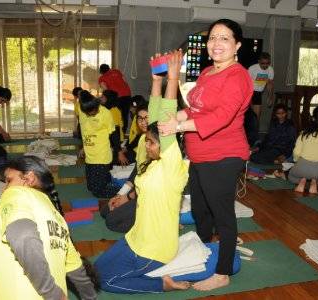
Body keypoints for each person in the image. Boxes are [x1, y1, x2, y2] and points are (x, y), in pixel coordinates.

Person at [158, 19, 253, 291]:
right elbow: (194, 108)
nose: (216, 43)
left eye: (225, 38)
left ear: (237, 45)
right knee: (201, 211)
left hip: (224, 155)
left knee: (222, 215)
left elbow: (222, 117)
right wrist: (176, 117)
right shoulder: (208, 72)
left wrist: (179, 126)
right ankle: (201, 253)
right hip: (199, 155)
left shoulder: (238, 76)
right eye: (213, 37)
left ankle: (222, 273)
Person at [95, 50, 190, 294]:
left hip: (154, 249)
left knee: (105, 283)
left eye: (151, 142)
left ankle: (162, 284)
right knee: (94, 271)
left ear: (168, 145)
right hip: (135, 238)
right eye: (146, 141)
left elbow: (166, 115)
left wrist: (172, 79)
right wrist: (156, 80)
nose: (147, 145)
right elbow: (158, 116)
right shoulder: (152, 162)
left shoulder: (171, 164)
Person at [0, 156, 97, 300]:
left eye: (9, 180)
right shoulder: (58, 218)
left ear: (29, 179)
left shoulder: (16, 193)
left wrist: (52, 293)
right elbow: (78, 272)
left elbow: (23, 236)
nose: (5, 188)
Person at [100, 103, 149, 233]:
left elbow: (151, 183)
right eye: (140, 118)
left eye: (147, 118)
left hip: (150, 194)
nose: (143, 122)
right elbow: (136, 171)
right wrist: (119, 195)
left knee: (111, 222)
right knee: (105, 211)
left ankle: (154, 222)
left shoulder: (157, 143)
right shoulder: (143, 138)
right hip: (138, 189)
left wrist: (128, 198)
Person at [78, 90, 120, 198]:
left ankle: (125, 191)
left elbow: (114, 134)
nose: (93, 114)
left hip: (102, 157)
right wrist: (83, 147)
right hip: (89, 157)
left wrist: (118, 150)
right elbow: (85, 130)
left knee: (98, 192)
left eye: (95, 111)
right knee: (91, 187)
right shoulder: (81, 109)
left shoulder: (105, 113)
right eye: (89, 113)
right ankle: (107, 179)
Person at [98, 64, 132, 132]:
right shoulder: (117, 71)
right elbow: (125, 82)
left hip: (117, 97)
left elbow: (106, 91)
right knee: (125, 114)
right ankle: (124, 132)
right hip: (127, 94)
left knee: (116, 114)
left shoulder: (102, 78)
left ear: (101, 71)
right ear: (109, 68)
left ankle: (116, 132)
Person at [100, 89, 128, 165]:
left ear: (108, 98)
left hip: (115, 142)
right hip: (111, 140)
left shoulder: (113, 111)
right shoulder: (107, 109)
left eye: (102, 97)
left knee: (111, 164)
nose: (100, 98)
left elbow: (115, 131)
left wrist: (117, 149)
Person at [248, 52, 274, 120]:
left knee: (257, 116)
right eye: (263, 63)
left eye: (267, 63)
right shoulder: (252, 68)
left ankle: (254, 129)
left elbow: (269, 84)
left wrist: (270, 97)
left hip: (258, 93)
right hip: (249, 92)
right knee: (251, 116)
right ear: (259, 61)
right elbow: (245, 83)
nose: (265, 65)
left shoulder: (270, 70)